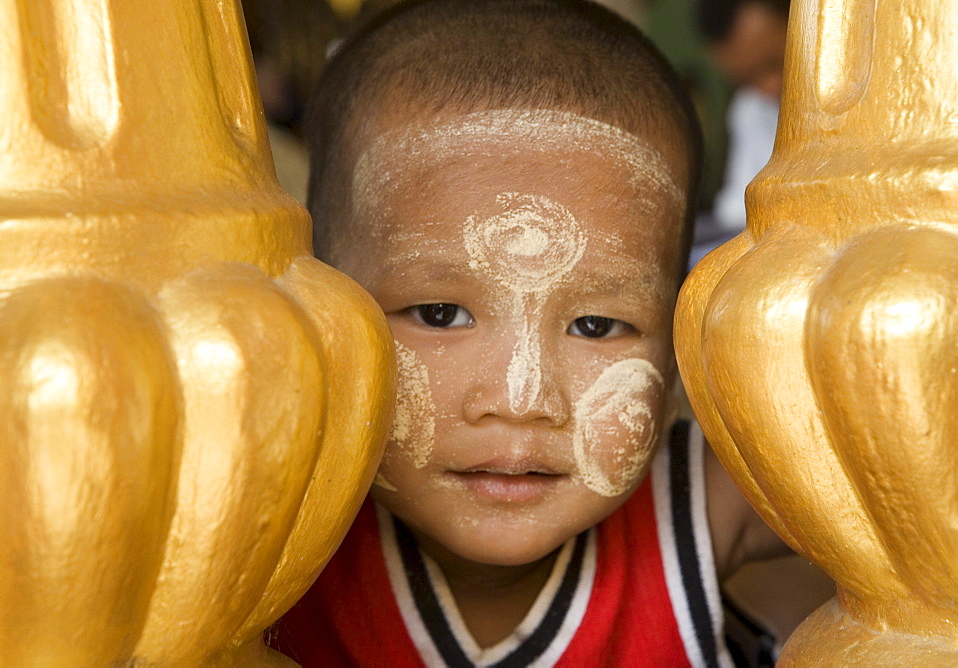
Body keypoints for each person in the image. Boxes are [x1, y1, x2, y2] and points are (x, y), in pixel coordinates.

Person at [270, 0, 787, 665]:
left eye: (596, 325)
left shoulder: (695, 508)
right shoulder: (274, 533)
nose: (520, 398)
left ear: (679, 340)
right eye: (439, 315)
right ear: (322, 307)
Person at [690, 0, 789, 267]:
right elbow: (737, 209)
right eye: (747, 79)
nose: (769, 87)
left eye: (774, 63)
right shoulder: (751, 107)